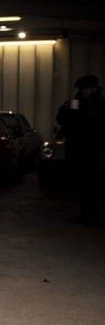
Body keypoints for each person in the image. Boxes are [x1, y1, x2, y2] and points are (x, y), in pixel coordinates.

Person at [57, 75, 104, 228]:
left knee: (92, 184)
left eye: (88, 88)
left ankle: (93, 217)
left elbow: (95, 127)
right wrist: (64, 109)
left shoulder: (99, 104)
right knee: (82, 184)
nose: (85, 91)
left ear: (94, 88)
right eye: (83, 88)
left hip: (91, 150)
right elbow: (64, 120)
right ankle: (86, 215)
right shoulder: (77, 102)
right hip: (78, 149)